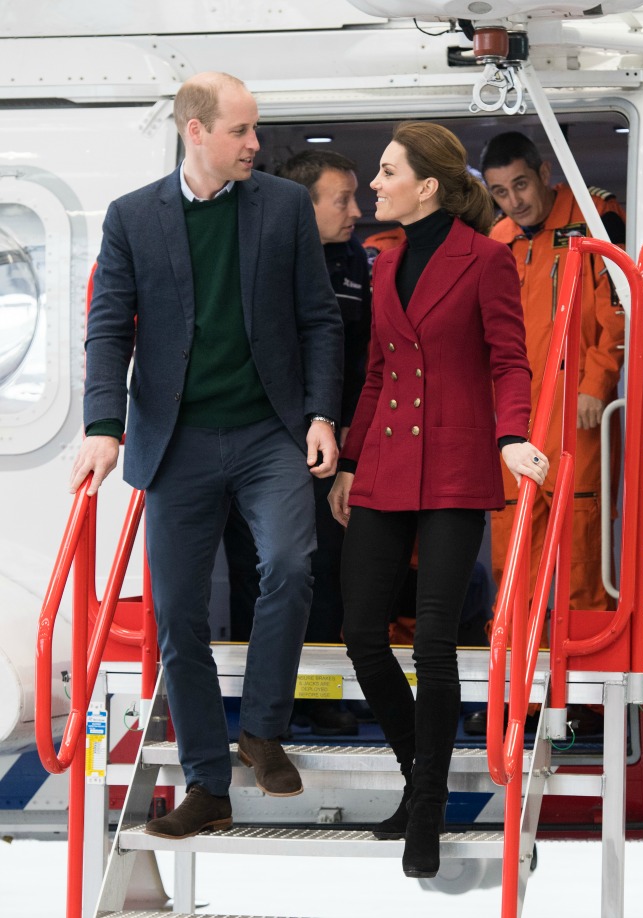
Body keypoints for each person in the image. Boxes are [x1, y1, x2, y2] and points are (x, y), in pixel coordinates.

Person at [69, 72, 344, 839]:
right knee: (179, 615)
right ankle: (207, 782)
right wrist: (102, 425)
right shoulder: (132, 218)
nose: (256, 144)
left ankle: (261, 729)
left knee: (290, 564)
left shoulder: (284, 209)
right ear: (196, 132)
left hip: (268, 432)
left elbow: (320, 321)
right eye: (241, 132)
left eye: (255, 131)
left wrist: (323, 414)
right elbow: (107, 331)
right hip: (177, 440)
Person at [328, 121, 548, 879]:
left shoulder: (486, 262)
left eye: (386, 172)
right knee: (360, 633)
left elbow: (510, 362)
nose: (375, 184)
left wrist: (511, 436)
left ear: (426, 185)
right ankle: (419, 776)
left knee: (432, 642)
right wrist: (351, 461)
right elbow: (381, 374)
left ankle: (425, 810)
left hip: (456, 467)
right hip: (387, 464)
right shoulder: (383, 267)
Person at [466, 131, 626, 737]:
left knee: (582, 558)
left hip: (575, 418)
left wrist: (597, 381)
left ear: (544, 173)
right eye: (501, 193)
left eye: (522, 186)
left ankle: (582, 698)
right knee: (514, 562)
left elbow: (617, 311)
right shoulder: (498, 244)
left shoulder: (593, 221)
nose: (514, 202)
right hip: (515, 423)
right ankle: (519, 698)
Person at [224, 149, 372, 735]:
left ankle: (320, 696)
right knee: (260, 571)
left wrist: (350, 452)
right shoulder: (259, 261)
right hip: (264, 445)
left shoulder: (357, 264)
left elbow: (361, 365)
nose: (356, 211)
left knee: (327, 570)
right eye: (342, 199)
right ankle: (259, 706)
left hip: (331, 445)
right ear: (298, 206)